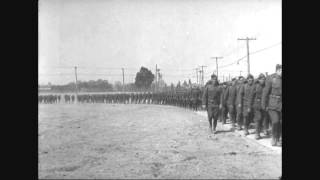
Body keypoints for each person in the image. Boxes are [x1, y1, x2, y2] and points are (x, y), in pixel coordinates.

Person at [262, 64, 282, 146]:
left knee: (280, 122)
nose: (282, 72)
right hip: (272, 105)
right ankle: (274, 138)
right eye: (281, 70)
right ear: (277, 70)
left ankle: (279, 138)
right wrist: (263, 104)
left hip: (280, 105)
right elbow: (265, 93)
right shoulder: (271, 79)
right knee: (275, 121)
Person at [251, 73, 267, 139]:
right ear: (259, 80)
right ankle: (257, 134)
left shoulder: (266, 86)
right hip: (257, 104)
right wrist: (251, 105)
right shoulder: (255, 86)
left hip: (264, 104)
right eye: (261, 79)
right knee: (258, 119)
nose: (263, 80)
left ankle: (261, 131)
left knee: (263, 119)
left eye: (264, 79)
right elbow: (251, 96)